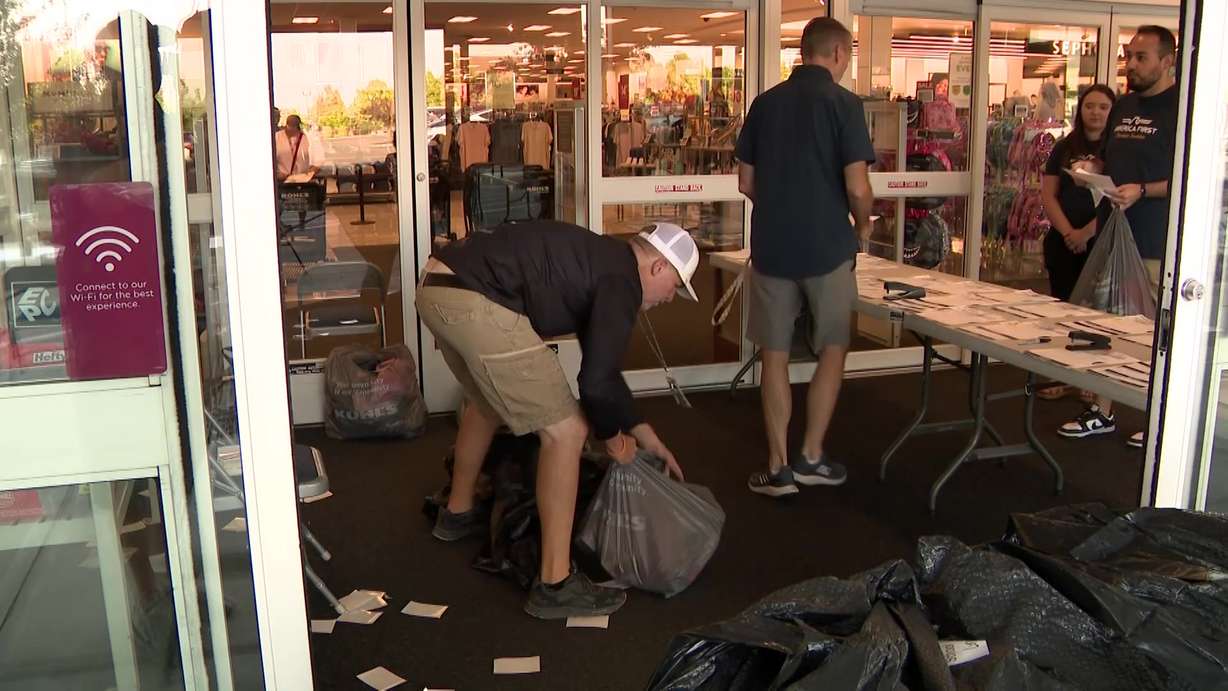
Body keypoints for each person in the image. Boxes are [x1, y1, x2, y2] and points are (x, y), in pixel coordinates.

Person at [416, 219, 694, 619]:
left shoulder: (603, 259)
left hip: (436, 286)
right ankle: (555, 584)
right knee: (568, 432)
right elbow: (595, 384)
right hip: (476, 298)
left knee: (487, 401)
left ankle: (457, 512)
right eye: (676, 287)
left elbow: (604, 369)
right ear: (659, 267)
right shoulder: (622, 283)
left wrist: (642, 432)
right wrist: (614, 440)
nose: (671, 298)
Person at [734, 17, 875, 497]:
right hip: (829, 248)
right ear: (837, 53)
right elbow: (857, 186)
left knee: (773, 357)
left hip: (772, 247)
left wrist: (780, 209)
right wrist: (865, 223)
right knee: (832, 348)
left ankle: (778, 469)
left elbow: (746, 183)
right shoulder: (845, 105)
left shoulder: (764, 104)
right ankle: (812, 455)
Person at [1058, 26, 1179, 448]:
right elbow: (1111, 155)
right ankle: (1102, 410)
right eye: (1130, 56)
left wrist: (1144, 190)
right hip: (1114, 233)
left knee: (1154, 334)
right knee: (1108, 327)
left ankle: (1161, 417)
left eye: (1142, 57)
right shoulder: (1125, 105)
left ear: (1167, 61)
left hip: (1154, 239)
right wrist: (1092, 167)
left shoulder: (1183, 109)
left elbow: (1188, 177)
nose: (1131, 64)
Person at [1036, 85, 1116, 400]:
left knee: (1097, 313)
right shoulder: (1064, 147)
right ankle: (1061, 374)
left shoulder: (1118, 150)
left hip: (1100, 240)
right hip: (1063, 241)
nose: (1095, 112)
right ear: (1079, 110)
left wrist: (1087, 233)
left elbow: (1118, 201)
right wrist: (1069, 232)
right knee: (1063, 309)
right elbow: (1048, 194)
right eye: (1089, 106)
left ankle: (1092, 381)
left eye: (1103, 107)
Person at [274, 114, 319, 183]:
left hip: (303, 181)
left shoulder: (306, 137)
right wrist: (277, 174)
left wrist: (311, 172)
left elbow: (317, 159)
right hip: (282, 182)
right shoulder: (276, 137)